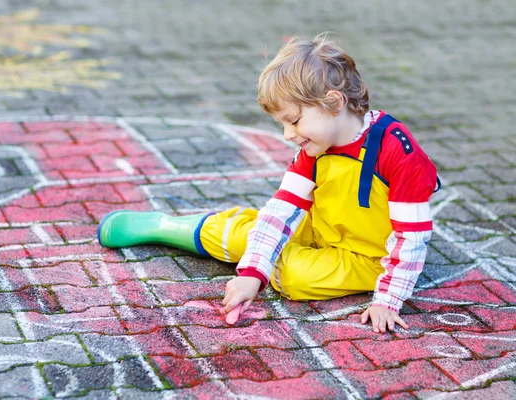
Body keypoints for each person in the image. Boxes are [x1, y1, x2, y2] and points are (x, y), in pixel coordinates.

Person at [98, 33, 439, 333]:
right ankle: (165, 226)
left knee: (297, 277)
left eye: (293, 121)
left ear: (334, 103)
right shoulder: (316, 147)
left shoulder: (396, 150)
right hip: (320, 230)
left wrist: (388, 299)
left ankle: (265, 257)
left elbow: (411, 236)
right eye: (283, 124)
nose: (288, 135)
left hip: (367, 257)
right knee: (249, 232)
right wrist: (251, 273)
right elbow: (282, 210)